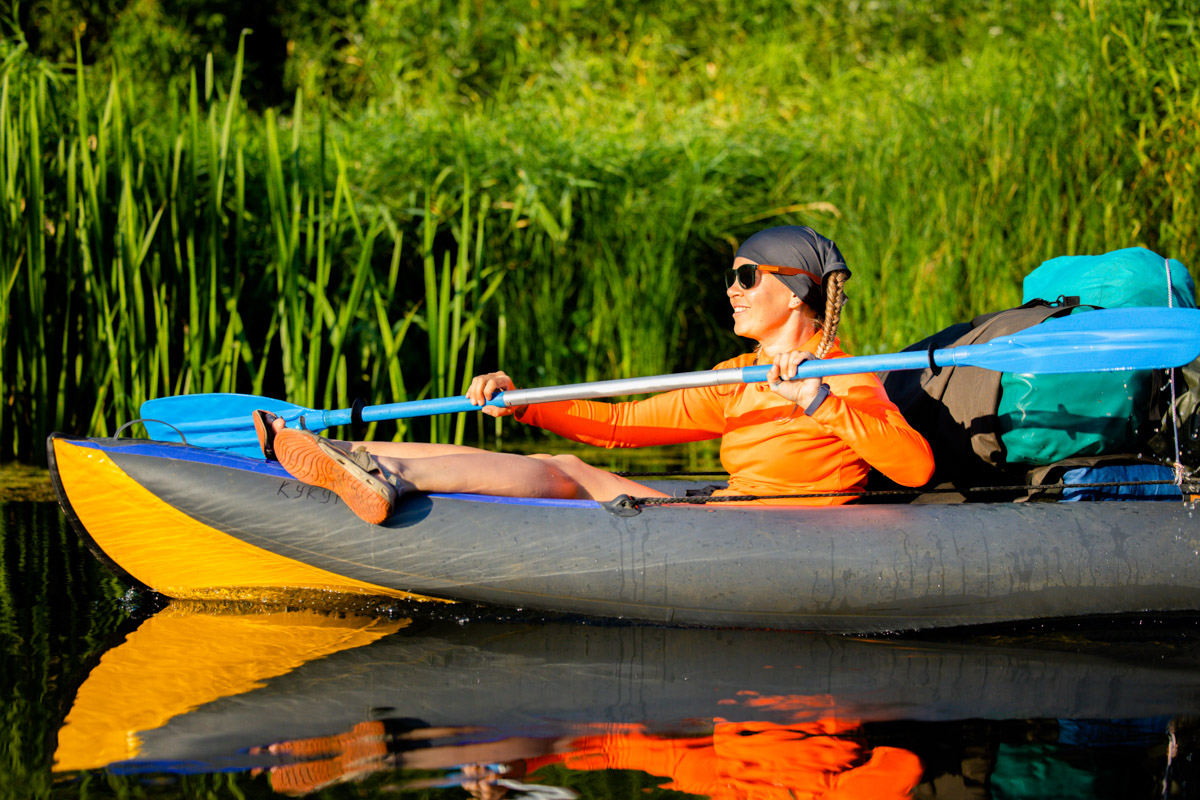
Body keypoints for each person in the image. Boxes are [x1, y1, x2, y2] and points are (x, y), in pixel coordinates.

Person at [258, 226, 935, 524]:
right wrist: (523, 404)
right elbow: (623, 422)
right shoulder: (739, 374)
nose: (731, 288)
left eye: (746, 276)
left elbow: (913, 469)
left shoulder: (849, 374)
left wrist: (816, 400)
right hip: (737, 513)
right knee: (568, 455)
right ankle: (351, 455)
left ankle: (386, 475)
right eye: (731, 275)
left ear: (794, 293)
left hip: (788, 533)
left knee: (569, 472)